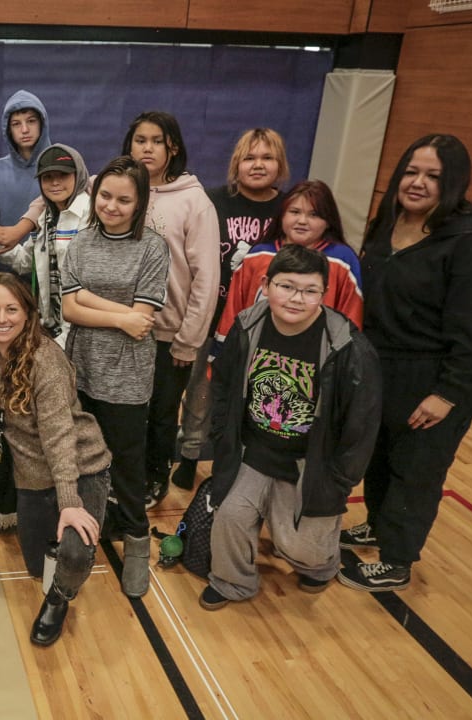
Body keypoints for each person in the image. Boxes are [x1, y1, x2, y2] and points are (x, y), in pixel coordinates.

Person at [339, 134, 472, 592]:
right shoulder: (388, 223)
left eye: (433, 176)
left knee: (415, 472)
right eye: (412, 172)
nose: (418, 183)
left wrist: (446, 394)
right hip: (379, 369)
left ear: (453, 183)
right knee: (377, 460)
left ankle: (396, 560)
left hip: (430, 378)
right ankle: (376, 524)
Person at [199, 245, 381, 610]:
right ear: (266, 285)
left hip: (308, 461)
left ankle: (322, 561)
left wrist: (339, 480)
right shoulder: (247, 325)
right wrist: (221, 439)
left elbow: (362, 423)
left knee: (299, 549)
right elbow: (222, 386)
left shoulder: (348, 346)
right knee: (231, 516)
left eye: (310, 290)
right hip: (253, 451)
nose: (296, 299)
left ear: (324, 293)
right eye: (286, 286)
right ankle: (233, 582)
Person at [0, 274, 111, 645]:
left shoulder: (46, 360)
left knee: (73, 555)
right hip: (31, 477)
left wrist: (69, 503)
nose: (1, 318)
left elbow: (59, 437)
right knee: (34, 564)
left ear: (28, 314)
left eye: (12, 309)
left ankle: (58, 601)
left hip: (80, 466)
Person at [60, 156, 169, 598]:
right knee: (87, 459)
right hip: (82, 369)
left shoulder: (153, 248)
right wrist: (122, 315)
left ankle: (138, 546)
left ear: (140, 203)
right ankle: (89, 533)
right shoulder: (82, 242)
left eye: (124, 200)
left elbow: (145, 322)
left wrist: (93, 301)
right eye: (106, 195)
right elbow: (68, 308)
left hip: (127, 378)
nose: (112, 205)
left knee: (127, 465)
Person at [174, 128, 289, 489]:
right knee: (200, 394)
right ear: (236, 164)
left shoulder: (287, 209)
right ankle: (191, 454)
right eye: (249, 158)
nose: (258, 165)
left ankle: (242, 462)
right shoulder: (212, 202)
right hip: (211, 318)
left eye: (267, 158)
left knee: (255, 394)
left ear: (280, 164)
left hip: (264, 326)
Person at [122, 111, 219, 508]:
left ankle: (154, 477)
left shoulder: (195, 201)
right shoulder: (115, 188)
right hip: (119, 329)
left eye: (156, 141)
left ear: (172, 147)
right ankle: (124, 476)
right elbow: (56, 192)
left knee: (161, 415)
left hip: (168, 336)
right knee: (125, 413)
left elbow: (206, 278)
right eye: (139, 139)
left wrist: (188, 341)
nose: (146, 148)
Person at [215, 180, 363, 346]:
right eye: (294, 212)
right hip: (254, 352)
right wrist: (222, 352)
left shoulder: (342, 261)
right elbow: (234, 310)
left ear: (328, 220)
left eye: (313, 214)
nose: (302, 221)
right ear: (281, 216)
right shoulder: (258, 255)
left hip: (314, 359)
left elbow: (351, 318)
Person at [0, 143, 93, 343]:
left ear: (78, 175)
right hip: (53, 329)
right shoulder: (46, 217)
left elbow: (87, 286)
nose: (55, 183)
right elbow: (25, 262)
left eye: (63, 175)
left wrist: (63, 342)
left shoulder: (91, 215)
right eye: (47, 177)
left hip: (81, 331)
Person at [0, 90, 52, 227]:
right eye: (16, 124)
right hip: (7, 248)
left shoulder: (61, 165)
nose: (24, 130)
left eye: (31, 121)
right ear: (8, 129)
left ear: (42, 123)